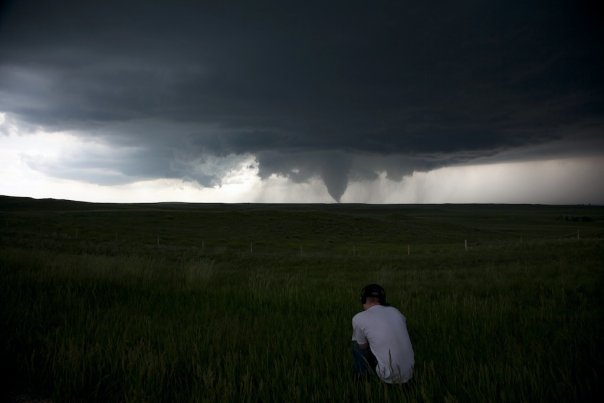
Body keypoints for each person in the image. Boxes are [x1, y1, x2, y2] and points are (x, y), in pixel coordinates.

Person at [352, 284, 414, 384]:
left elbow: (362, 347)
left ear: (363, 299)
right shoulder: (396, 311)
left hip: (387, 376)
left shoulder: (358, 318)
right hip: (410, 372)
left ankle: (362, 378)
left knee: (357, 345)